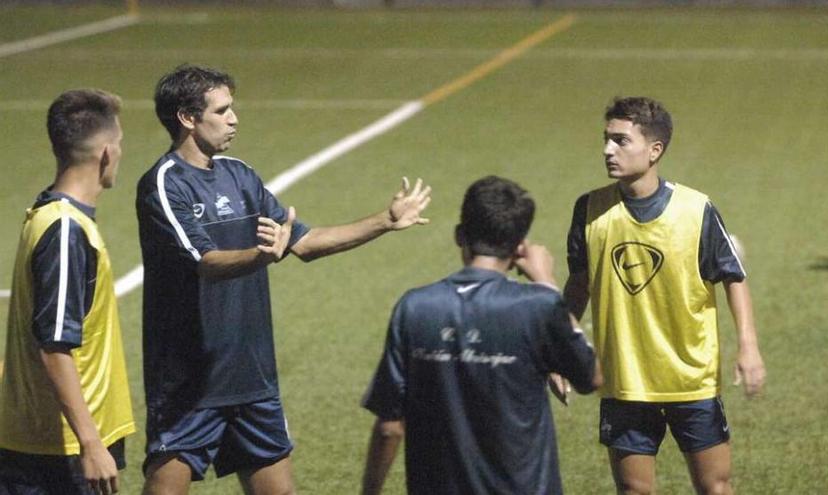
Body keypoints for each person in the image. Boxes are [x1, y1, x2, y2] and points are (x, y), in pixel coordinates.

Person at [136, 64, 431, 494]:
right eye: (223, 110)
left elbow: (306, 242)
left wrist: (384, 221)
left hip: (253, 378)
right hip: (190, 383)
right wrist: (260, 256)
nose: (234, 118)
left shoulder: (240, 175)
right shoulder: (165, 185)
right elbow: (206, 262)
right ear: (187, 117)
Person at [563, 96, 766, 495]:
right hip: (625, 380)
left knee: (716, 488)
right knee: (634, 491)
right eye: (606, 139)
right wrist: (559, 348)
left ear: (654, 150)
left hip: (691, 378)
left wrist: (749, 346)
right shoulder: (589, 209)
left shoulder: (697, 209)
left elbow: (733, 277)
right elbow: (578, 284)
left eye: (621, 141)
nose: (608, 150)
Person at [361, 175, 602, 495]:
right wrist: (547, 283)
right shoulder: (540, 307)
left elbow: (390, 427)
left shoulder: (415, 307)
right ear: (519, 248)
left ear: (460, 235)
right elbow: (592, 376)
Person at [0, 89, 135, 495]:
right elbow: (54, 346)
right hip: (59, 449)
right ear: (107, 153)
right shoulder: (64, 232)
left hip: (54, 441)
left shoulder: (47, 213)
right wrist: (90, 444)